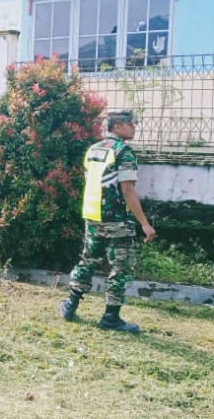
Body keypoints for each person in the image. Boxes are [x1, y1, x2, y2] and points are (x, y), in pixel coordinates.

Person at [58, 110, 156, 334]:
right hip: (115, 220)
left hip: (92, 216)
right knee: (120, 267)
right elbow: (128, 190)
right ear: (118, 126)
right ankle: (111, 318)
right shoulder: (123, 152)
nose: (134, 128)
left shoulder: (93, 150)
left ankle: (69, 306)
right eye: (132, 124)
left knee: (88, 261)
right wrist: (145, 223)